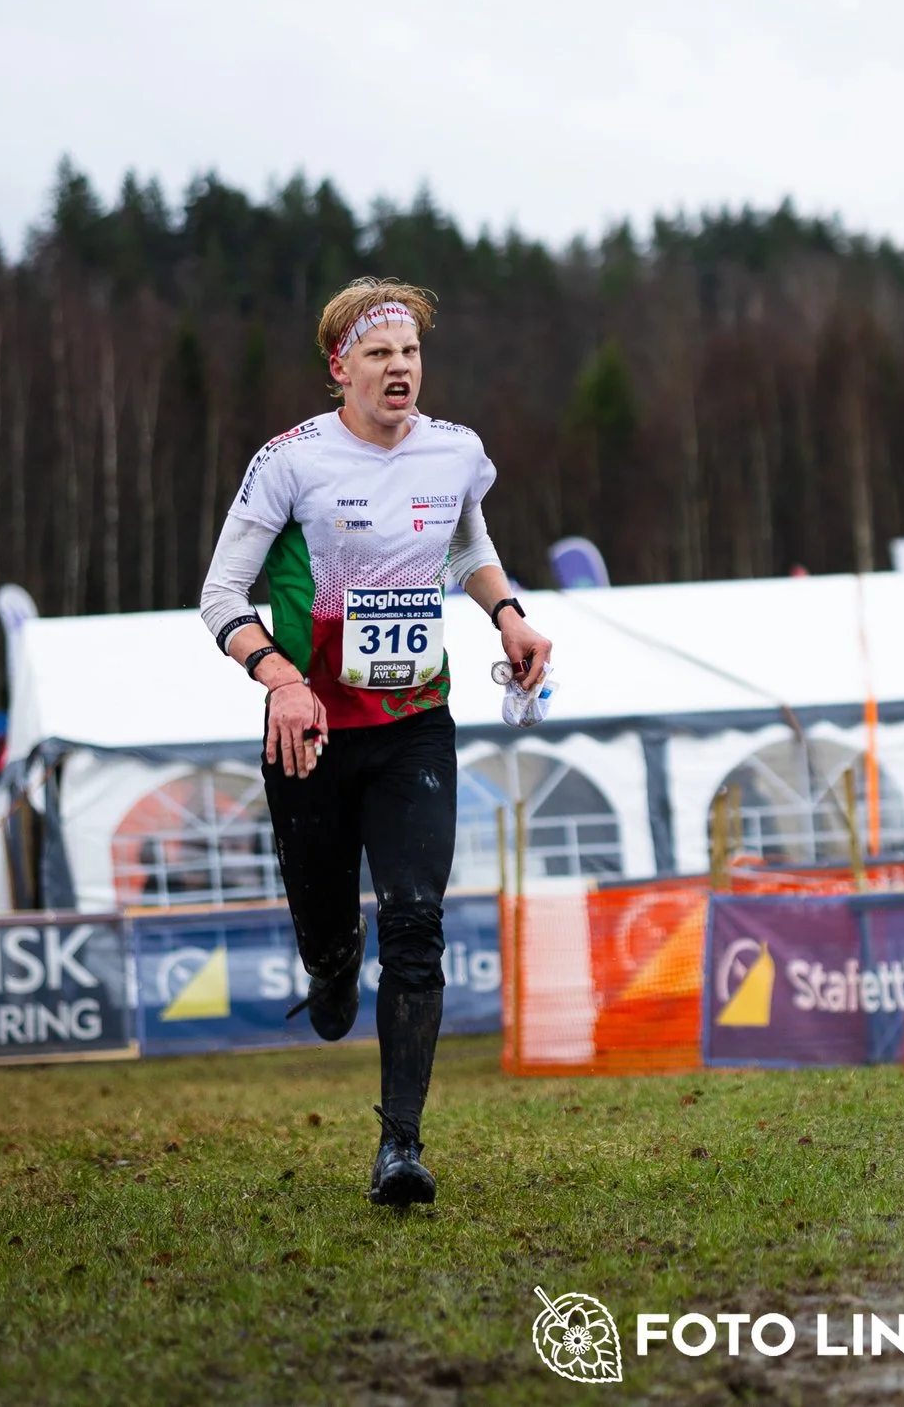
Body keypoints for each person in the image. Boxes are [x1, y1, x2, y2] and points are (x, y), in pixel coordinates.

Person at [199, 277, 552, 1207]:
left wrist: (509, 614)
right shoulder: (290, 462)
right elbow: (220, 595)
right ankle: (328, 962)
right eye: (380, 353)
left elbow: (468, 547)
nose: (401, 369)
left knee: (416, 922)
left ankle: (401, 1145)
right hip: (310, 731)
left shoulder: (455, 452)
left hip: (412, 729)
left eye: (411, 352)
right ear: (340, 366)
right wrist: (280, 679)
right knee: (331, 943)